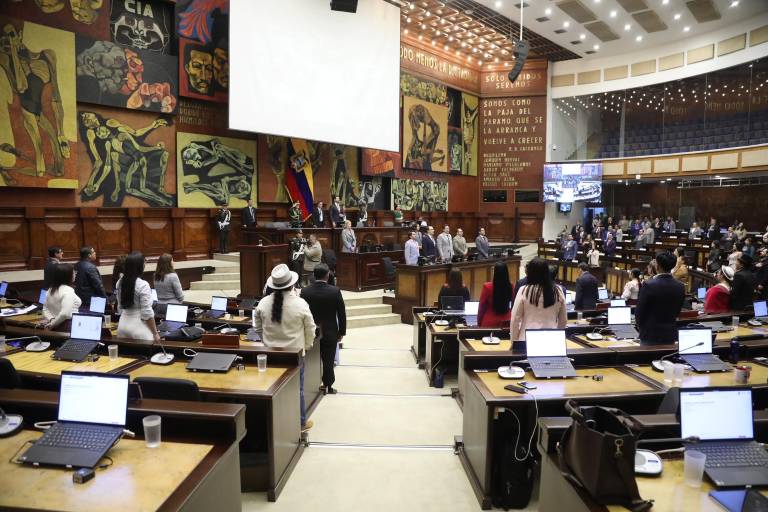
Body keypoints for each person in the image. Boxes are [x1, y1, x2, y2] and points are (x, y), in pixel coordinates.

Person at [254, 264, 316, 431]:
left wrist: (266, 341)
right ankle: (301, 423)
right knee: (298, 389)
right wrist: (307, 346)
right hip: (295, 354)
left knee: (272, 388)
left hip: (271, 353)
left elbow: (257, 327)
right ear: (292, 284)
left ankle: (275, 425)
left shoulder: (263, 303)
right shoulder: (300, 303)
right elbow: (310, 329)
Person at [300, 264, 346, 395]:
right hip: (330, 331)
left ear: (314, 275)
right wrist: (341, 332)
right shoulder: (335, 291)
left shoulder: (305, 291)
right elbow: (341, 314)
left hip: (311, 331)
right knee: (328, 360)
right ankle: (328, 385)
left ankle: (310, 386)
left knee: (311, 359)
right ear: (327, 275)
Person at [635, 251, 686, 345]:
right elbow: (677, 311)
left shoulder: (648, 285)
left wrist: (642, 329)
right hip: (669, 334)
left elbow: (639, 312)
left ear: (657, 266)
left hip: (650, 335)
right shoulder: (680, 286)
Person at [510, 258, 567, 341]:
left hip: (527, 339)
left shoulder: (524, 290)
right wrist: (558, 337)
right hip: (551, 338)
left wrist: (514, 341)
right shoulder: (558, 290)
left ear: (529, 273)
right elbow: (563, 320)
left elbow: (515, 319)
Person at [116, 252, 160, 342]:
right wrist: (155, 333)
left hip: (122, 326)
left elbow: (119, 306)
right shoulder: (143, 285)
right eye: (144, 263)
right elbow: (147, 313)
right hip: (139, 328)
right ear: (140, 266)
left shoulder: (119, 282)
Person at [41, 263, 81, 330]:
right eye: (74, 272)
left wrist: (52, 320)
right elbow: (64, 314)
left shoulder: (50, 289)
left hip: (55, 324)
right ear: (67, 275)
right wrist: (52, 324)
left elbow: (45, 309)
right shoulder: (68, 290)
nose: (75, 274)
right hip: (68, 325)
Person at [477, 261, 513, 328]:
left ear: (495, 273)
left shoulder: (487, 287)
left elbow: (481, 307)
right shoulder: (511, 286)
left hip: (489, 323)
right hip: (507, 322)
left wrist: (479, 323)